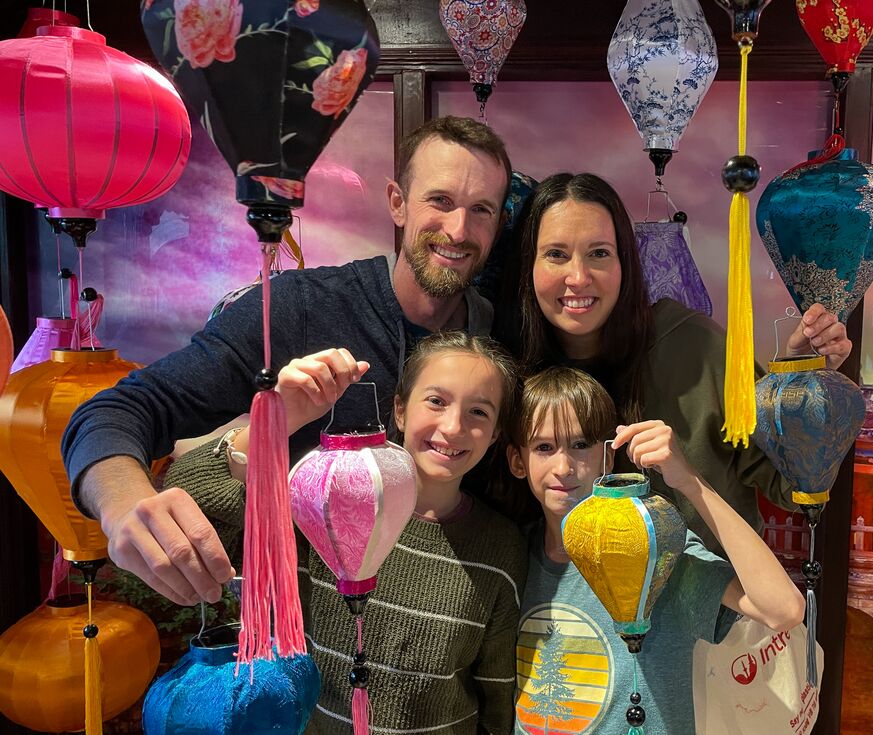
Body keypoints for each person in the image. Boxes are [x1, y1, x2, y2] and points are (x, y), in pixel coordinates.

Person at [61, 116, 513, 606]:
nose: (458, 229)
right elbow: (114, 413)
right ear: (398, 203)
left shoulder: (504, 340)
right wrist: (125, 503)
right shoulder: (298, 308)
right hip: (299, 632)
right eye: (440, 201)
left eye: (481, 210)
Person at [168, 332, 527, 734]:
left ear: (496, 433)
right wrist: (281, 416)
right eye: (437, 401)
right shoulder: (325, 504)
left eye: (479, 412)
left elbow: (497, 698)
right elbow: (188, 493)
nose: (454, 425)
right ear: (400, 409)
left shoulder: (501, 546)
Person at [498, 172, 853, 548]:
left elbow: (793, 489)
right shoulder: (513, 374)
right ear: (528, 266)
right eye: (556, 254)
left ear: (625, 264)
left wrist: (799, 386)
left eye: (599, 253)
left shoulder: (693, 347)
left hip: (709, 600)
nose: (578, 277)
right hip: (564, 604)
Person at [507, 367, 804, 735]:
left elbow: (784, 610)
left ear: (608, 456)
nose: (564, 466)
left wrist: (687, 480)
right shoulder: (513, 554)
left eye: (581, 445)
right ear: (518, 461)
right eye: (544, 447)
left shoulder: (653, 550)